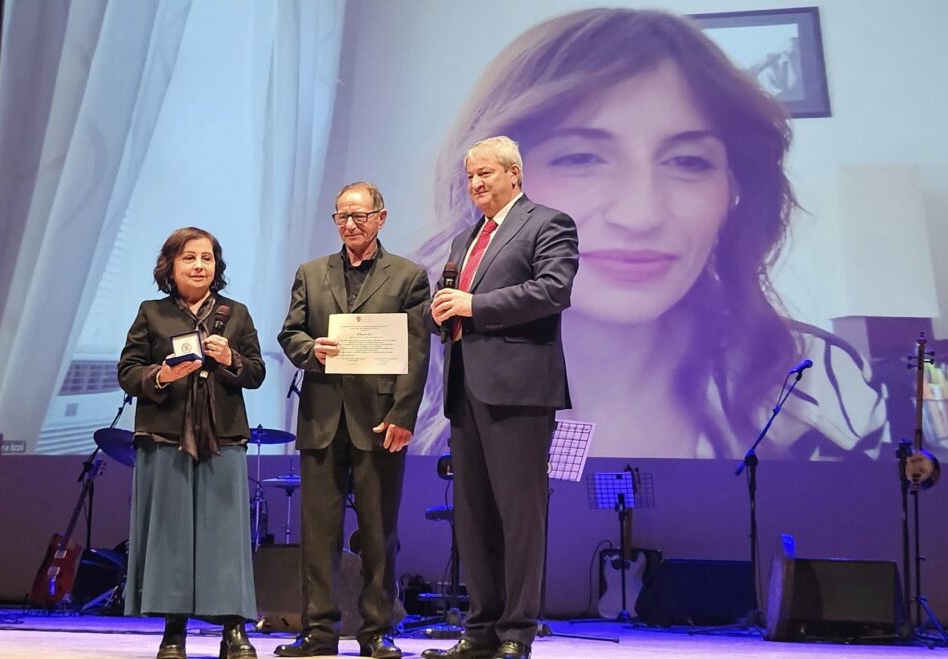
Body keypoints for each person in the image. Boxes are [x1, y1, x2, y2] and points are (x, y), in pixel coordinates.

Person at [413, 8, 886, 462]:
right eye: (580, 158)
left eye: (688, 162)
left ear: (734, 191)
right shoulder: (394, 374)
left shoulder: (812, 386)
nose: (641, 215)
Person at [423, 136, 578, 659]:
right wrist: (438, 312)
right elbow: (452, 301)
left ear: (515, 173)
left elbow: (553, 290)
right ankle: (480, 630)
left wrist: (473, 305)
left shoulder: (548, 224)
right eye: (470, 176)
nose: (475, 184)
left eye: (485, 173)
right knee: (473, 518)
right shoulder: (466, 238)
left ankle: (516, 631)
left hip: (519, 391)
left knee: (519, 517)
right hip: (465, 388)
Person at [275, 182, 430, 659]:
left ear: (381, 218)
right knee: (318, 535)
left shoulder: (408, 276)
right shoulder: (310, 272)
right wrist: (310, 349)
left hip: (380, 421)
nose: (350, 224)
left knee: (378, 534)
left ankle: (376, 631)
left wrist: (403, 414)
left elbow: (416, 352)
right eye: (342, 216)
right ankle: (318, 632)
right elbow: (290, 333)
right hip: (322, 417)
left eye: (359, 216)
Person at [118, 227, 265, 659]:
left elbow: (256, 373)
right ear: (171, 266)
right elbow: (128, 372)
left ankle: (234, 629)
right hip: (165, 435)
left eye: (207, 258)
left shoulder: (236, 313)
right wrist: (162, 375)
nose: (200, 266)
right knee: (171, 535)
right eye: (189, 258)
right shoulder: (152, 313)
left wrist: (230, 358)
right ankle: (173, 631)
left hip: (223, 436)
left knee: (226, 534)